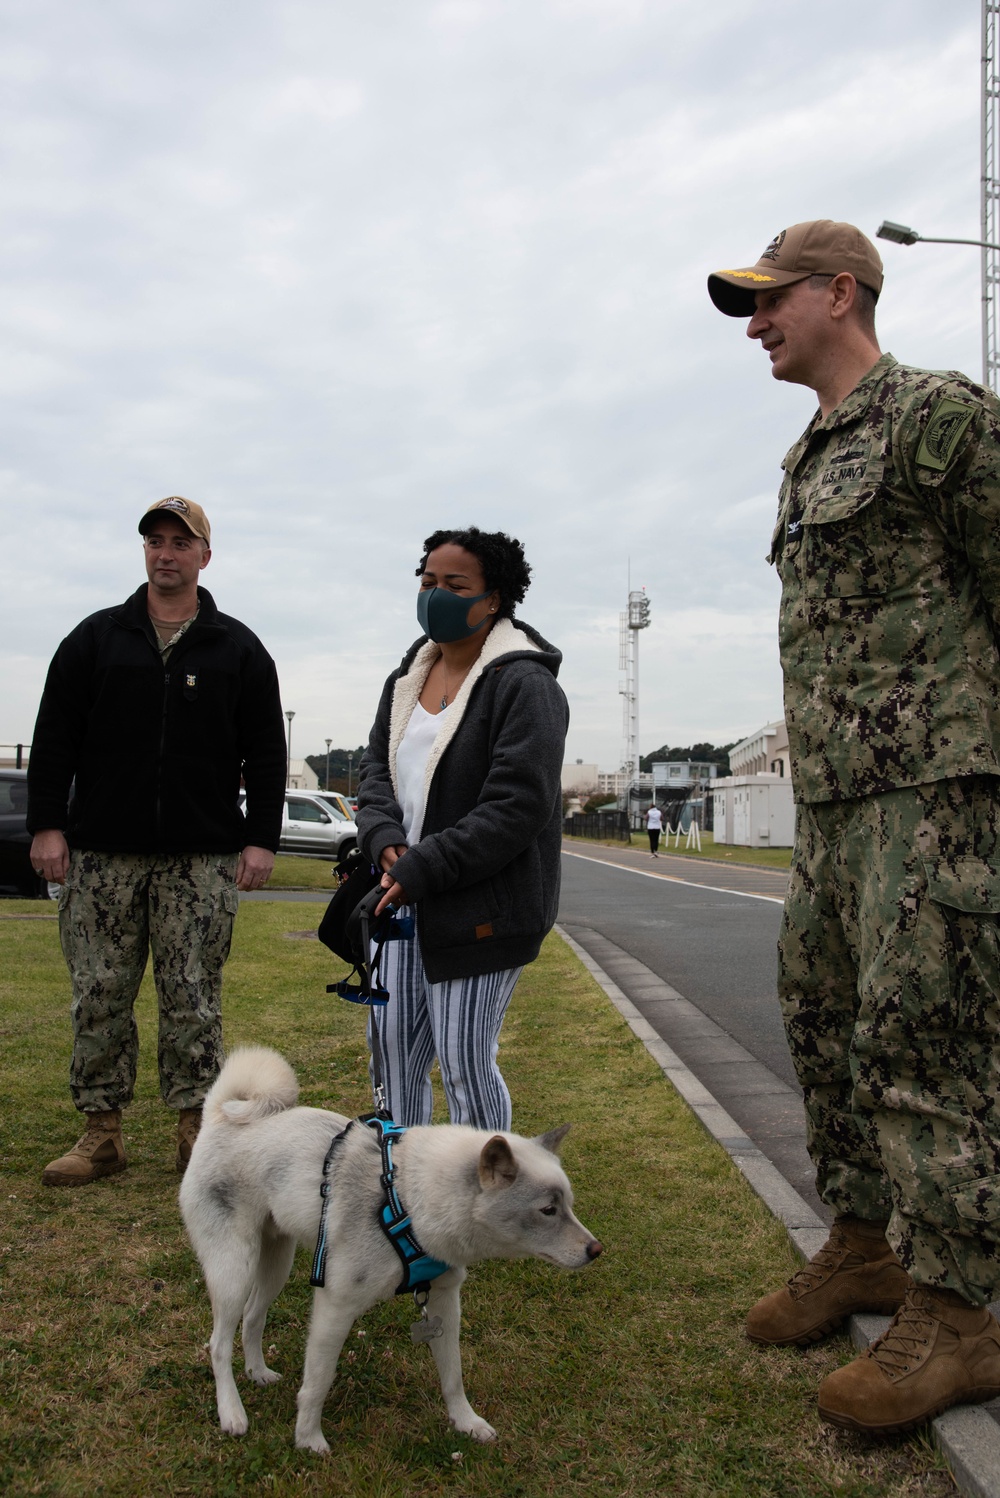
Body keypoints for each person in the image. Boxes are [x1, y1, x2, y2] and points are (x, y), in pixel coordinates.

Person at [708, 220, 1000, 1434]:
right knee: (829, 1027)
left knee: (924, 1039)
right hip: (831, 803)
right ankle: (867, 1245)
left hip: (934, 792)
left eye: (772, 301)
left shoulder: (941, 418)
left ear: (843, 292)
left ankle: (964, 1308)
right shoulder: (804, 455)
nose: (756, 323)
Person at [28, 496, 286, 1186]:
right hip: (102, 855)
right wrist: (49, 824)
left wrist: (260, 839)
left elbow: (266, 752)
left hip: (201, 858)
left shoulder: (237, 649)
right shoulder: (95, 640)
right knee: (99, 992)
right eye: (155, 542)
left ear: (205, 555)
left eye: (180, 542)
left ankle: (198, 1136)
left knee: (193, 995)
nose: (165, 553)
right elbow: (54, 739)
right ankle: (101, 1133)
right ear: (143, 552)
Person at [355, 527, 568, 1129]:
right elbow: (374, 768)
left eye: (455, 585)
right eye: (427, 581)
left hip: (482, 906)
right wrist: (382, 836)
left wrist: (427, 864)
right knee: (391, 1053)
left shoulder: (526, 684)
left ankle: (489, 1210)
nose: (435, 595)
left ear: (494, 598)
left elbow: (517, 806)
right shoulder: (405, 679)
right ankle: (400, 1190)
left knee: (465, 1064)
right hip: (398, 898)